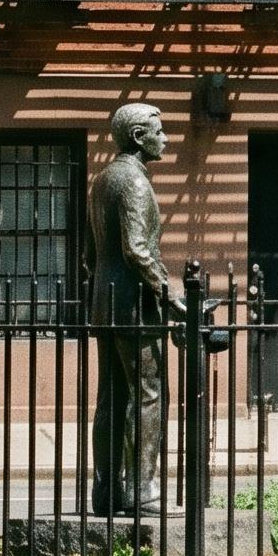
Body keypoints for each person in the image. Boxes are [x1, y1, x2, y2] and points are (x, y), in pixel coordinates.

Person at [86, 102, 184, 516]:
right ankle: (143, 491)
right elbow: (137, 249)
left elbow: (91, 253)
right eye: (159, 132)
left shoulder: (102, 181)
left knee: (110, 398)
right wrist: (170, 295)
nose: (165, 139)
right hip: (134, 308)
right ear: (139, 137)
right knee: (148, 395)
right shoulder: (135, 183)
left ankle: (107, 493)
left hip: (104, 302)